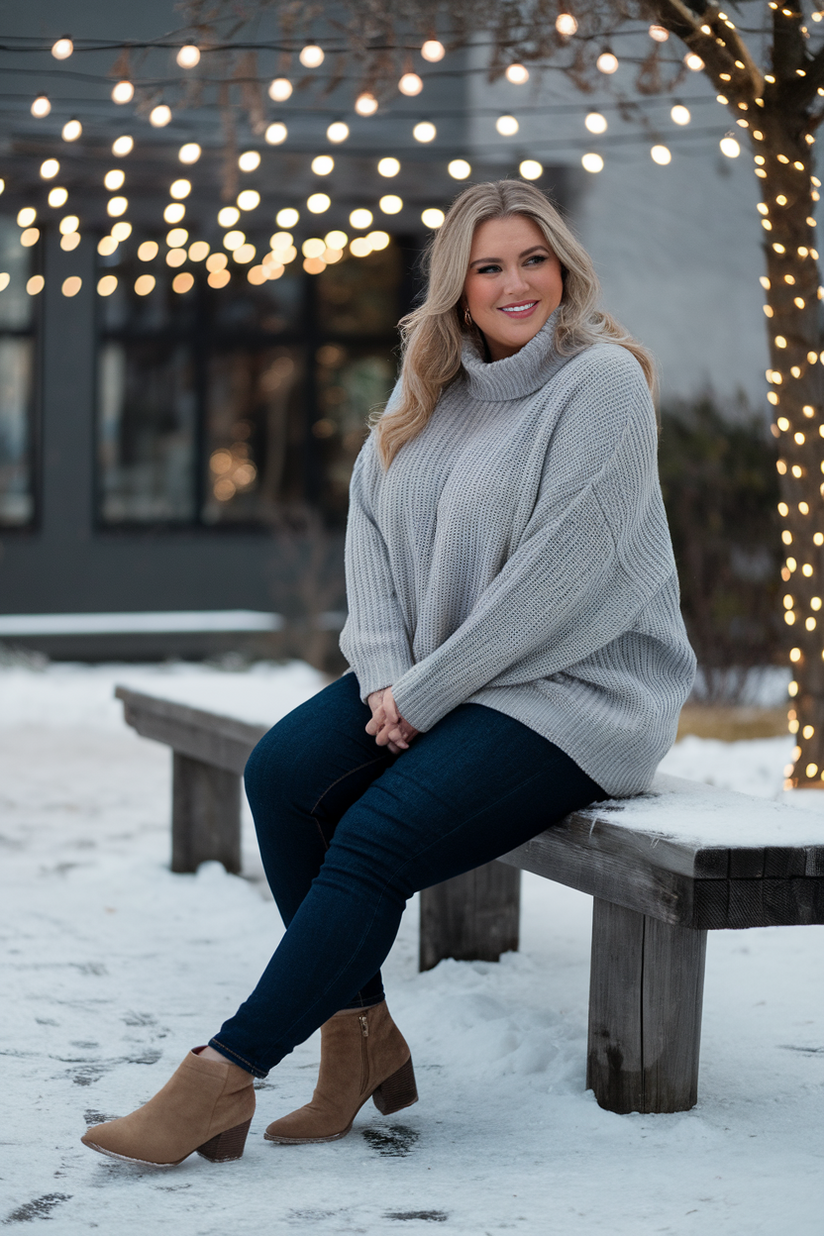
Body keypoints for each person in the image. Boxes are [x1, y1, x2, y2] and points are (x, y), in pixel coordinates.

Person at [81, 179, 696, 1167]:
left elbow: (554, 580)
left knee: (374, 833)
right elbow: (367, 542)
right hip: (438, 679)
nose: (514, 284)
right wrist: (383, 674)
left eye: (531, 260)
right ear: (455, 285)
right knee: (283, 773)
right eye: (487, 266)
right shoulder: (431, 392)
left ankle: (221, 1074)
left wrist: (424, 693)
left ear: (563, 267)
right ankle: (359, 1038)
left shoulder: (601, 383)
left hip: (578, 692)